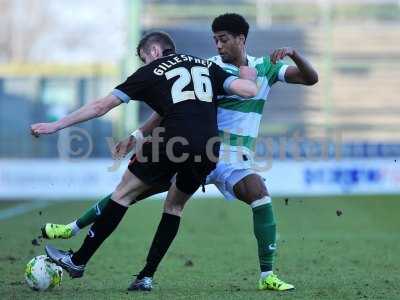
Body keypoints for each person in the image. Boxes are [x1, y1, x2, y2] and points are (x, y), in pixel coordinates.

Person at [41, 13, 318, 292]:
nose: (218, 46)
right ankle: (73, 228)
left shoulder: (265, 66)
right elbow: (174, 107)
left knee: (259, 195)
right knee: (134, 193)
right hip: (207, 149)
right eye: (215, 40)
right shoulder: (208, 66)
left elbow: (310, 78)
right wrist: (138, 135)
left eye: (223, 40)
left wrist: (294, 54)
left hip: (231, 157)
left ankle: (266, 275)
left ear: (241, 39)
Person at [30, 31, 258, 284]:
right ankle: (146, 277)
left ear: (154, 52)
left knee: (122, 194)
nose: (144, 63)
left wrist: (57, 125)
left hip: (173, 141)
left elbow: (100, 107)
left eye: (143, 57)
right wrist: (247, 70)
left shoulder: (151, 71)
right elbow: (247, 90)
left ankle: (78, 260)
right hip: (208, 148)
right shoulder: (205, 64)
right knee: (174, 207)